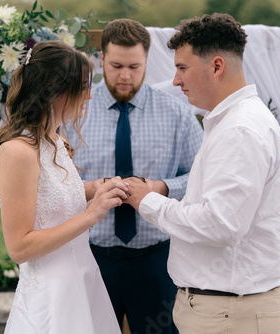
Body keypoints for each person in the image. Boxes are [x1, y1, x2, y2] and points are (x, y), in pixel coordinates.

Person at [124, 13, 280, 334]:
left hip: (229, 312)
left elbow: (221, 225)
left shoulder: (239, 130)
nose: (175, 80)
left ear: (216, 66)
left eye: (182, 68)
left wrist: (148, 202)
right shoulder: (230, 121)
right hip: (224, 308)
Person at [67, 19, 203, 333]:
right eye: (116, 66)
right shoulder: (74, 111)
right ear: (101, 59)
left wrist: (162, 187)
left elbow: (200, 177)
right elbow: (53, 179)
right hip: (91, 257)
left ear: (147, 61)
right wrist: (92, 191)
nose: (125, 76)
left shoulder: (177, 113)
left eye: (134, 66)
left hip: (157, 260)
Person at [0, 40, 126, 334]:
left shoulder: (56, 140)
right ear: (54, 90)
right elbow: (20, 247)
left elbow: (47, 196)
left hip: (84, 283)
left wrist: (93, 188)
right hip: (50, 300)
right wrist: (92, 214)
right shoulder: (18, 151)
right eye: (81, 86)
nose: (89, 94)